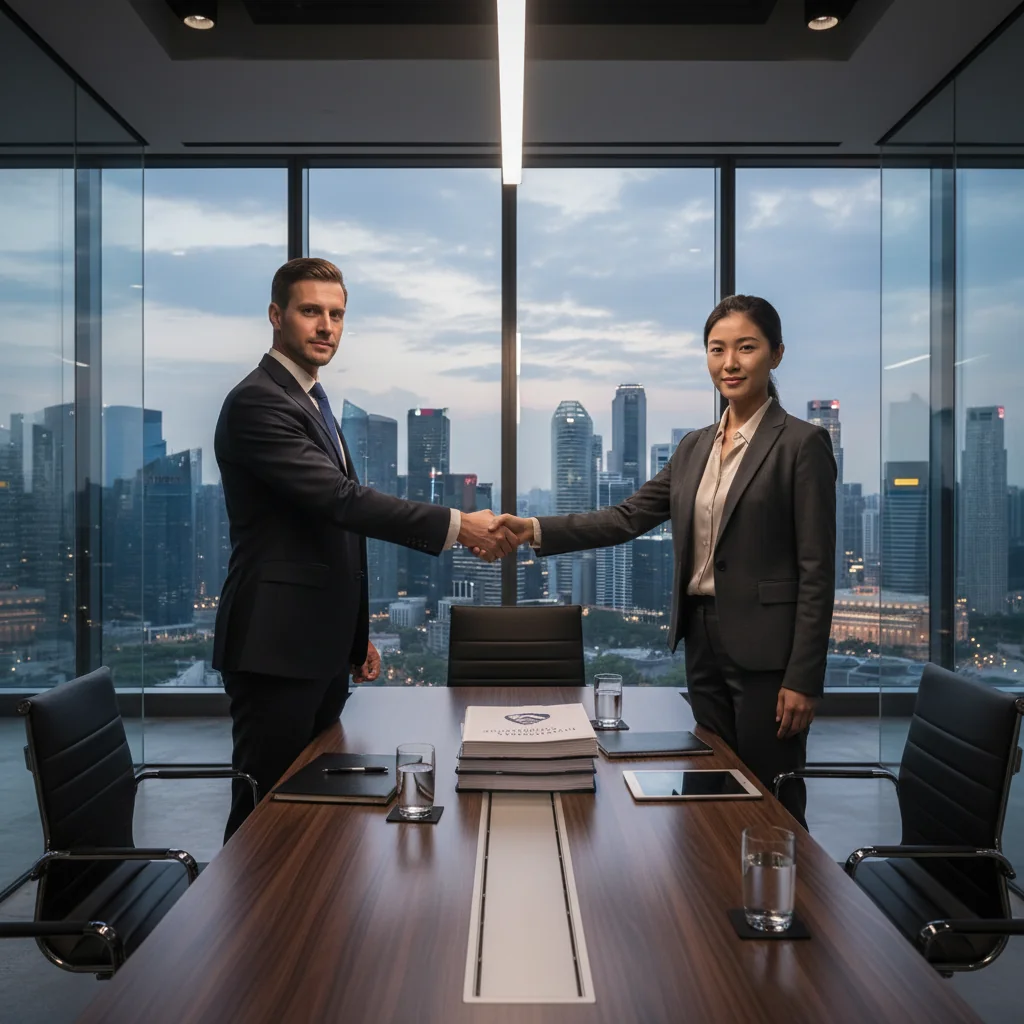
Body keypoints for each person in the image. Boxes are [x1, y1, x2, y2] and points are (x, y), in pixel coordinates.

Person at [489, 295, 836, 828]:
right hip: (702, 638)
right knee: (712, 784)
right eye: (717, 349)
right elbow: (626, 517)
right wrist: (534, 529)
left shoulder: (801, 444)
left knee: (772, 797)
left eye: (746, 348)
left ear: (777, 354)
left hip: (769, 652)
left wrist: (804, 678)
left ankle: (793, 883)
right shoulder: (694, 447)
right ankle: (718, 879)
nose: (730, 363)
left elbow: (817, 571)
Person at [213, 257, 515, 840]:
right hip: (275, 647)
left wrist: (352, 636)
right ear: (276, 316)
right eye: (310, 311)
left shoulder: (311, 400)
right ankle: (235, 904)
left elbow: (329, 537)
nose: (326, 326)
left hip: (312, 646)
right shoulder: (259, 401)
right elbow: (342, 501)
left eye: (336, 314)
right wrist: (459, 526)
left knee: (317, 809)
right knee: (263, 817)